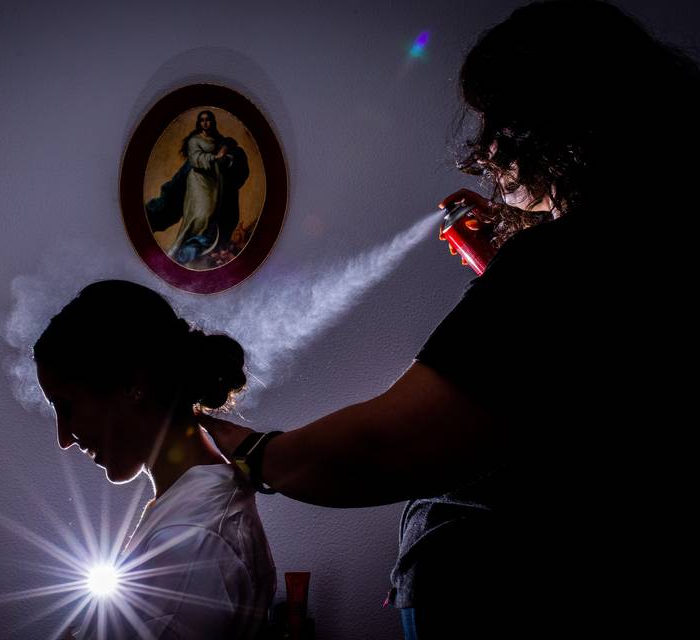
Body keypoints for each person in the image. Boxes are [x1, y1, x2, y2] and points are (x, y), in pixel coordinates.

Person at [195, 2, 698, 638]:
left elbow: (389, 445)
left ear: (559, 121)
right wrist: (505, 269)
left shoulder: (566, 262)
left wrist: (251, 450)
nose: (486, 149)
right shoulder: (649, 246)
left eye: (500, 122)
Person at [34, 280, 276, 639]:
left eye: (67, 408)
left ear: (134, 385)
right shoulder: (189, 511)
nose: (64, 439)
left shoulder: (190, 538)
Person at [145, 110, 250, 266]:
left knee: (210, 217)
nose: (205, 123)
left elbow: (235, 160)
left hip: (214, 184)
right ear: (199, 123)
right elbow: (195, 159)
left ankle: (195, 250)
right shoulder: (194, 140)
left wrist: (227, 159)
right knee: (200, 216)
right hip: (197, 182)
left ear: (213, 122)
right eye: (202, 120)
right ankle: (184, 251)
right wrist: (216, 158)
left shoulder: (222, 142)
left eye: (208, 120)